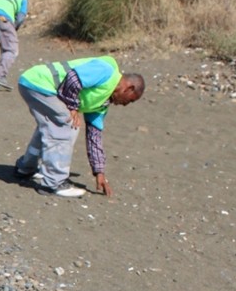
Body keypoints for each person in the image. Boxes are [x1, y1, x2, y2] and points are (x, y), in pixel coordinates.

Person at [14, 57, 145, 197]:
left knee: (50, 127)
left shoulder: (101, 103)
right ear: (129, 88)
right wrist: (73, 106)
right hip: (39, 83)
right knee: (68, 124)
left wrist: (99, 172)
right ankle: (54, 183)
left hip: (34, 84)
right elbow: (73, 78)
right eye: (130, 100)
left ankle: (25, 168)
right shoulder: (107, 70)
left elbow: (94, 137)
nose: (125, 105)